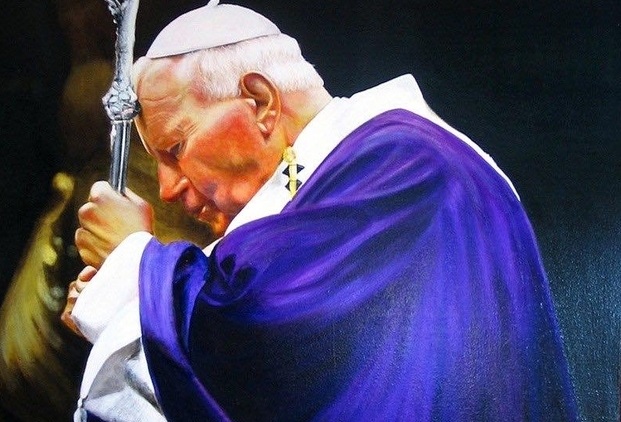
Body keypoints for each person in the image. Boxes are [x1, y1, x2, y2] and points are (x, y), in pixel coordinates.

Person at [63, 1, 579, 420]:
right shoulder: (341, 177)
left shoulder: (410, 169)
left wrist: (134, 267)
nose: (168, 188)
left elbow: (265, 340)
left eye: (176, 148)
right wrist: (126, 302)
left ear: (260, 103)